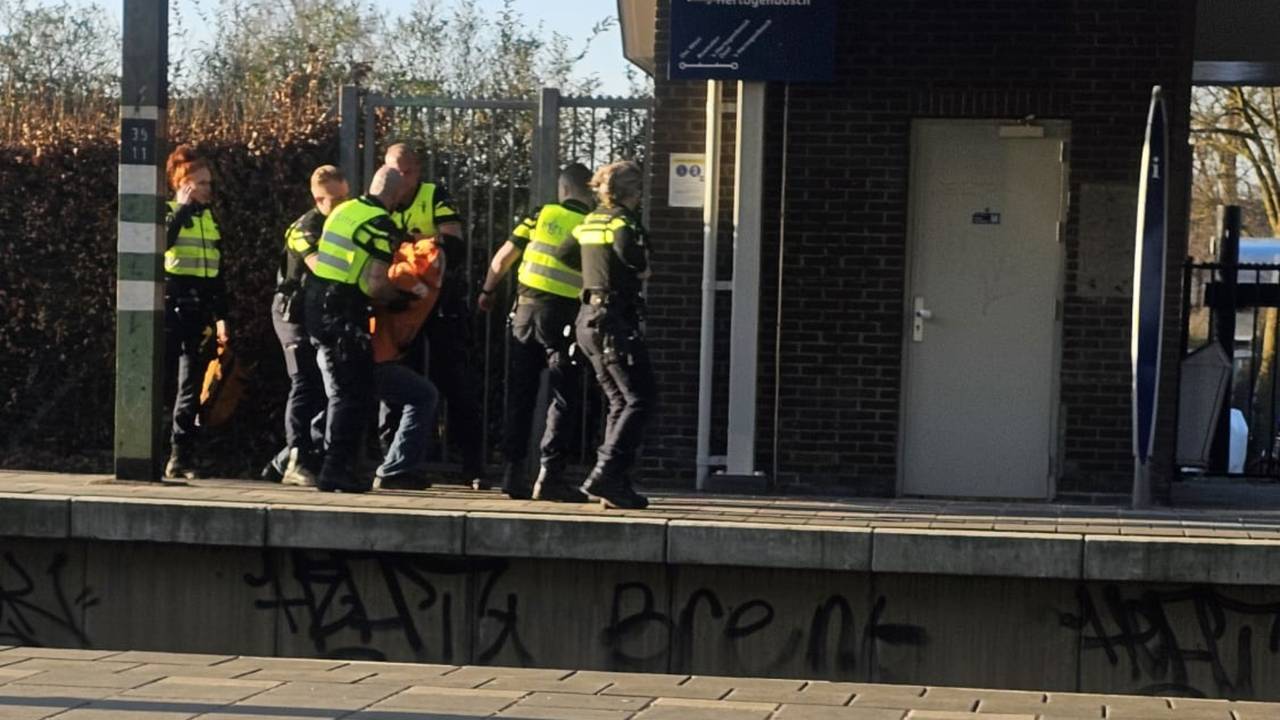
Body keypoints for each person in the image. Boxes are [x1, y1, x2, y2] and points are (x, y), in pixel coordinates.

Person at [477, 163, 594, 501]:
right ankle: (550, 476)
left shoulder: (540, 215)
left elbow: (502, 259)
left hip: (524, 313)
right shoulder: (590, 225)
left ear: (563, 189)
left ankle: (513, 473)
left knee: (520, 395)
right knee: (564, 396)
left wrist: (487, 292)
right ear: (587, 191)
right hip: (565, 318)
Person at [384, 143, 487, 487]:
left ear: (417, 172)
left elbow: (453, 243)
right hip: (399, 302)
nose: (401, 179)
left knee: (455, 381)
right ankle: (394, 459)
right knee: (394, 378)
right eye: (394, 172)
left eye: (407, 172)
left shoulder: (433, 195)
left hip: (439, 301)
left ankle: (472, 465)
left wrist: (414, 254)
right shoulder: (380, 202)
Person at [304, 165, 406, 492]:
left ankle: (336, 467)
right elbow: (376, 283)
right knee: (353, 394)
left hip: (318, 304)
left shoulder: (345, 210)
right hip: (344, 312)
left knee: (341, 391)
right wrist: (400, 298)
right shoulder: (380, 224)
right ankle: (335, 470)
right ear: (397, 194)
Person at [572, 161, 654, 509]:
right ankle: (605, 474)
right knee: (640, 397)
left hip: (588, 318)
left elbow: (564, 253)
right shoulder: (624, 221)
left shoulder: (589, 220)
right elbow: (631, 256)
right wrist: (640, 265)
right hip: (613, 322)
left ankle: (614, 483)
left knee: (619, 400)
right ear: (634, 191)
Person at [261, 165, 349, 487]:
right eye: (334, 200)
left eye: (345, 197)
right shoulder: (305, 228)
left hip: (318, 315)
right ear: (317, 198)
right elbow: (321, 267)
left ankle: (287, 459)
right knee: (304, 383)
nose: (341, 205)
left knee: (332, 389)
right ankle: (296, 459)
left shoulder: (340, 224)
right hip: (292, 315)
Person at [162, 145, 230, 480]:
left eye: (208, 183)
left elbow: (218, 274)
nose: (207, 189)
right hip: (171, 308)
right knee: (163, 382)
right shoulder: (168, 211)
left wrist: (221, 317)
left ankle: (180, 456)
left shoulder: (211, 221)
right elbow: (160, 244)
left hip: (199, 311)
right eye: (200, 183)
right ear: (182, 184)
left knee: (190, 385)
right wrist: (181, 210)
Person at [370, 232, 445, 488]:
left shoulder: (395, 268)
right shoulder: (420, 280)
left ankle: (288, 459)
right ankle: (396, 468)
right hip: (376, 357)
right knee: (424, 395)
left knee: (341, 401)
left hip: (370, 352)